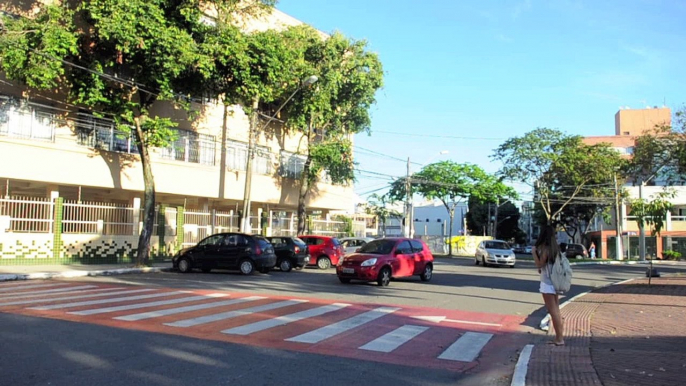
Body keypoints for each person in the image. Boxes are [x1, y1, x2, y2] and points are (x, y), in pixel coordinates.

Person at [532, 225, 565, 346]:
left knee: (553, 311)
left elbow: (539, 264)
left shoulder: (545, 249)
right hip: (555, 281)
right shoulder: (555, 248)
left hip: (547, 283)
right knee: (556, 309)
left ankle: (559, 338)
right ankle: (559, 336)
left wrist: (534, 253)